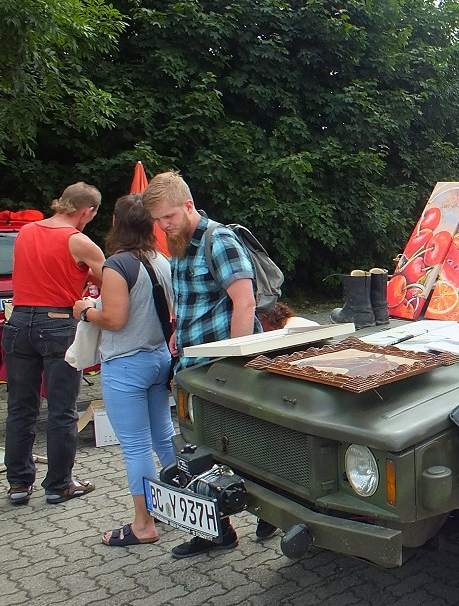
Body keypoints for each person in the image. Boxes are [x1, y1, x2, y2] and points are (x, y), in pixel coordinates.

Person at [142, 171, 271, 556]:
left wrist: (236, 362)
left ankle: (272, 514)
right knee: (200, 448)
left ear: (188, 205)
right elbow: (189, 300)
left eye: (169, 217)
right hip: (193, 366)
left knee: (246, 443)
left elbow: (244, 303)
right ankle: (216, 532)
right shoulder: (179, 243)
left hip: (221, 368)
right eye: (158, 221)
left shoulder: (219, 239)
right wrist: (176, 334)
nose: (163, 226)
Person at [73, 195, 175, 546]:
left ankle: (143, 525)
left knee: (135, 447)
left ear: (117, 223)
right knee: (164, 435)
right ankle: (183, 504)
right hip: (159, 358)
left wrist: (86, 310)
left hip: (127, 364)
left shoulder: (117, 265)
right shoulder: (160, 259)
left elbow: (115, 319)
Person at [5, 182, 104, 505]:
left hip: (18, 322)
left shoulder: (26, 232)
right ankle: (59, 484)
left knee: (21, 408)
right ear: (86, 211)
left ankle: (19, 483)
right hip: (58, 324)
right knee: (62, 409)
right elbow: (110, 279)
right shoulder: (79, 241)